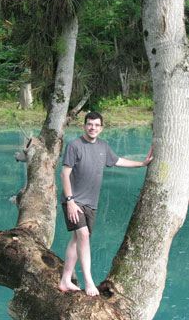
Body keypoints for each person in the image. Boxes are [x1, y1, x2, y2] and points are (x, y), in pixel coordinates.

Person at [58, 111, 153, 297]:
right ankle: (89, 281)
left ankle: (65, 279)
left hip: (91, 204)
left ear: (101, 128)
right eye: (90, 124)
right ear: (84, 126)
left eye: (96, 125)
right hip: (74, 201)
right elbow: (64, 174)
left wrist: (141, 164)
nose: (93, 128)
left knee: (77, 239)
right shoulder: (74, 146)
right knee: (83, 235)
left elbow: (118, 161)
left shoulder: (103, 146)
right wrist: (69, 201)